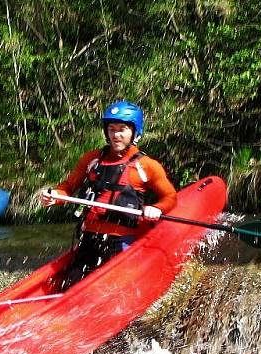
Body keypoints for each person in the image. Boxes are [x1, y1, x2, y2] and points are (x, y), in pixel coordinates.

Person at [40, 100, 177, 290]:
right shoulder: (92, 160)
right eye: (112, 129)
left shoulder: (146, 166)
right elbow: (69, 187)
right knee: (69, 286)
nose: (116, 135)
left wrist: (156, 208)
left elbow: (170, 197)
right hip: (90, 238)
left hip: (122, 240)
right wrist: (54, 195)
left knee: (111, 288)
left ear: (134, 132)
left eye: (122, 129)